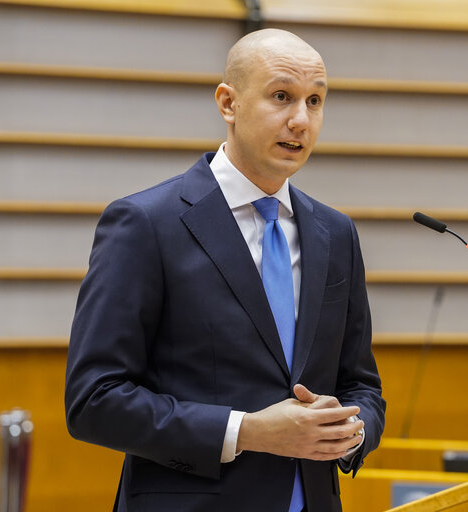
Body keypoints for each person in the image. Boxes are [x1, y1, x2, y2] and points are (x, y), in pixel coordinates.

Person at [64, 28, 386, 512]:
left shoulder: (335, 234)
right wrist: (249, 431)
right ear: (228, 103)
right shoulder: (146, 224)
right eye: (282, 96)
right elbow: (94, 401)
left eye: (315, 101)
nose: (301, 119)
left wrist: (351, 430)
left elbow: (361, 384)